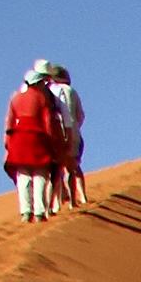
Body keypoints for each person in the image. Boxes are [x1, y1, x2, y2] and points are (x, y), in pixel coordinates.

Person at [4, 61, 64, 221]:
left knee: (23, 177)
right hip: (38, 139)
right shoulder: (42, 99)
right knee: (40, 176)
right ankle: (39, 212)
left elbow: (8, 123)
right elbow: (48, 123)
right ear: (38, 83)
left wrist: (8, 143)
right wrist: (53, 143)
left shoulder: (15, 98)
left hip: (18, 139)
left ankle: (25, 211)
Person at [46, 62, 88, 210]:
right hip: (73, 132)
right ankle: (79, 198)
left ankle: (55, 204)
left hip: (55, 133)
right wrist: (75, 128)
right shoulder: (71, 91)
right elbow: (80, 115)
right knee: (73, 167)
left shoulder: (48, 91)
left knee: (56, 171)